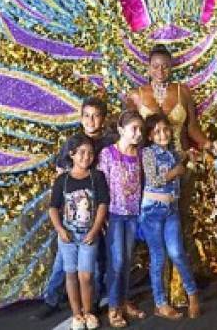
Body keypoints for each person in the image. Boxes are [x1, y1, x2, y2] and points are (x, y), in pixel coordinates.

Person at [126, 45, 217, 305]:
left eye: (165, 65)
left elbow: (192, 128)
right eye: (155, 65)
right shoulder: (136, 96)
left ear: (172, 67)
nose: (160, 70)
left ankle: (180, 290)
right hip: (150, 170)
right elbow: (129, 132)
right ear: (148, 67)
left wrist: (208, 145)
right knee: (153, 229)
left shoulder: (182, 92)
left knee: (179, 227)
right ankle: (160, 293)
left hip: (181, 167)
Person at [36, 97, 115, 319]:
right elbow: (61, 175)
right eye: (87, 115)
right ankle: (52, 299)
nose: (91, 120)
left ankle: (92, 304)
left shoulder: (110, 141)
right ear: (81, 118)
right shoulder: (72, 142)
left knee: (95, 263)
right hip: (73, 216)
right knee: (63, 262)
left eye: (96, 115)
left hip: (98, 210)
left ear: (103, 118)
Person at [140, 113, 201, 320]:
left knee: (177, 253)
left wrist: (190, 164)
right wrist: (174, 173)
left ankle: (192, 294)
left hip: (171, 210)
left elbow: (182, 182)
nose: (162, 134)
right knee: (158, 257)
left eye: (165, 129)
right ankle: (160, 303)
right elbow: (154, 179)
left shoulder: (175, 155)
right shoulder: (148, 153)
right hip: (152, 211)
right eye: (156, 131)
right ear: (149, 136)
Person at [48, 134, 109, 330]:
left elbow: (102, 205)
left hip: (88, 236)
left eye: (90, 153)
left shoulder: (97, 177)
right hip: (68, 237)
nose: (86, 156)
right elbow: (53, 208)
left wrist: (94, 231)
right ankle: (76, 315)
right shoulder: (63, 180)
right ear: (72, 154)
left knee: (86, 276)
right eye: (81, 152)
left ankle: (89, 311)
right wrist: (60, 229)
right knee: (71, 274)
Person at [97, 110, 146, 328]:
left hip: (133, 215)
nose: (138, 134)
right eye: (133, 129)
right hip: (115, 215)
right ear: (121, 130)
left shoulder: (140, 154)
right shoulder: (107, 154)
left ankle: (124, 300)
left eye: (140, 129)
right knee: (116, 261)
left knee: (126, 261)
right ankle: (113, 306)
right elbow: (101, 186)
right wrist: (103, 214)